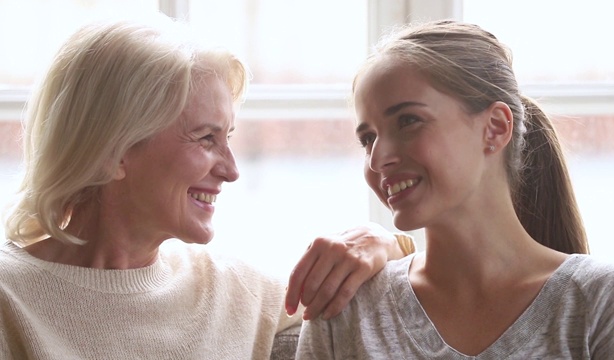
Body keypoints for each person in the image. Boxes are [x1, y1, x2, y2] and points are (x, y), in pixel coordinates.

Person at [0, 14, 414, 359]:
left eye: (228, 137)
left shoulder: (236, 291)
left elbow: (418, 297)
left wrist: (387, 244)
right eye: (205, 138)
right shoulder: (10, 298)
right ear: (115, 149)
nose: (232, 171)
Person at [296, 19, 614, 359]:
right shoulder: (344, 310)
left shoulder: (607, 303)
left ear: (494, 128)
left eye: (408, 121)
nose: (377, 159)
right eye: (368, 139)